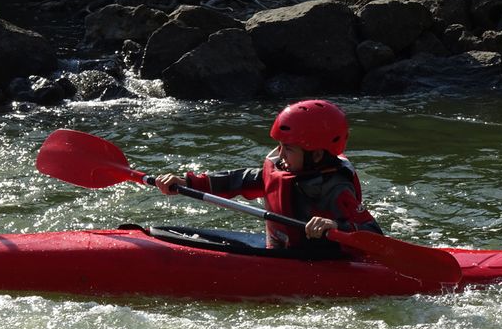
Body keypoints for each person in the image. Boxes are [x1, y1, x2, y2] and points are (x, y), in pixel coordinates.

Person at [155, 99, 383, 249]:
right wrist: (188, 182)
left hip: (318, 261)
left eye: (289, 148)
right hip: (280, 251)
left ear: (315, 155)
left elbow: (372, 232)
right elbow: (238, 180)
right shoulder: (281, 170)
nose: (280, 154)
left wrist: (334, 225)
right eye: (281, 145)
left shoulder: (334, 188)